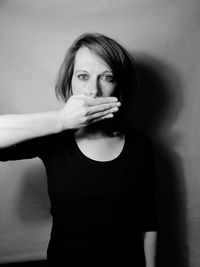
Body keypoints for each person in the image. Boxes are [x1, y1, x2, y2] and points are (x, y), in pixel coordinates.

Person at [0, 33, 158, 266]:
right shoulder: (53, 138)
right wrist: (61, 120)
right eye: (83, 76)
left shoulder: (140, 145)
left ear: (119, 85)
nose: (93, 90)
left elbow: (149, 221)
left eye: (107, 77)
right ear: (70, 81)